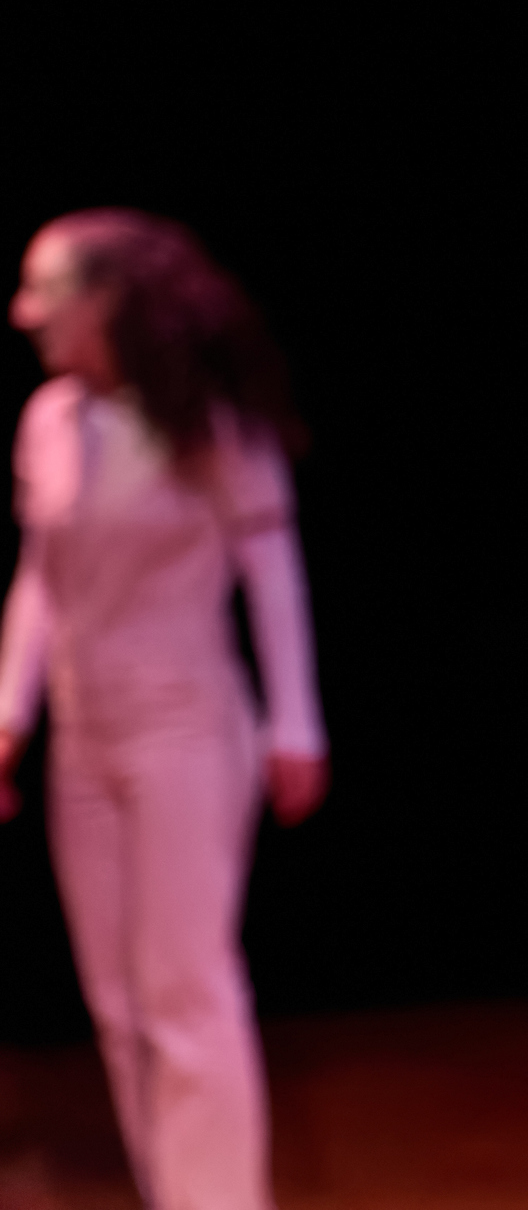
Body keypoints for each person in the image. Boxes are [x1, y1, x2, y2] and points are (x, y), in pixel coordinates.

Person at [0, 210, 327, 1210]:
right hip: (83, 738)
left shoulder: (207, 419)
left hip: (186, 728)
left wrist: (294, 724)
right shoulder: (50, 419)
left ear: (106, 299)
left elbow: (269, 567)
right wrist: (6, 714)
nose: (23, 312)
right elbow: (40, 583)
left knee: (185, 989)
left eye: (42, 288)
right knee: (116, 1002)